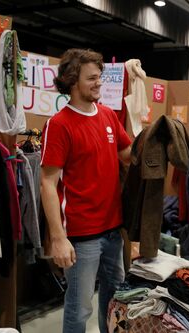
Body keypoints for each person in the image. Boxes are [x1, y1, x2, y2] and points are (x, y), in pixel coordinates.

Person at [40, 48, 132, 333]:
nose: (99, 83)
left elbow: (128, 155)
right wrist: (58, 238)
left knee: (114, 300)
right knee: (80, 309)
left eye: (100, 77)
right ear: (71, 80)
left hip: (113, 230)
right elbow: (47, 183)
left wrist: (154, 141)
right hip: (81, 237)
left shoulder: (106, 116)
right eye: (92, 78)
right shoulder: (59, 125)